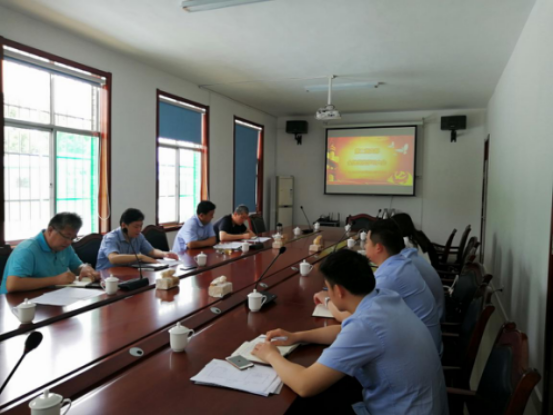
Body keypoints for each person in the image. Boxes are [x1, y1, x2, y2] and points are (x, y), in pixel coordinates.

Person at [252, 250, 448, 415]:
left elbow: (305, 385)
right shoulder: (384, 297)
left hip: (401, 410)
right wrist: (298, 337)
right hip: (423, 406)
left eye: (327, 287)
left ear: (338, 291)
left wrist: (270, 355)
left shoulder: (366, 325)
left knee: (311, 405)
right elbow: (344, 330)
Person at [314, 219, 442, 353]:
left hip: (420, 350)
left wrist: (327, 300)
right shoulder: (400, 263)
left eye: (367, 242)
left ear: (379, 247)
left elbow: (353, 317)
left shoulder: (388, 278)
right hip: (424, 343)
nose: (364, 246)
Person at [1, 212, 99, 294]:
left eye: (72, 238)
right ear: (50, 230)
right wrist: (55, 280)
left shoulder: (65, 247)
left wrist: (84, 268)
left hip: (49, 297)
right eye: (66, 236)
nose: (69, 242)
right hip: (17, 303)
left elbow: (77, 266)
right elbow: (13, 284)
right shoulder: (27, 249)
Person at [96, 208, 178, 270]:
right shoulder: (111, 238)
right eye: (136, 227)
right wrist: (140, 257)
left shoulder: (138, 236)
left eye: (140, 226)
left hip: (127, 273)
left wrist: (164, 254)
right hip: (106, 277)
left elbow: (151, 251)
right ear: (124, 225)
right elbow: (113, 258)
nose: (139, 229)